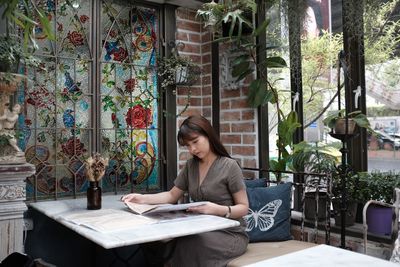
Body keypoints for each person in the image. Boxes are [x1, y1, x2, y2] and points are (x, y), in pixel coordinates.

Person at [122, 115, 249, 267]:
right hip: (202, 228)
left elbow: (243, 207)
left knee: (191, 243)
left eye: (195, 142)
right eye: (188, 146)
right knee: (170, 241)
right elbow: (171, 195)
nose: (192, 149)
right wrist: (141, 198)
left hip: (229, 233)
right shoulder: (191, 166)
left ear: (208, 135)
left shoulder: (230, 166)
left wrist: (217, 209)